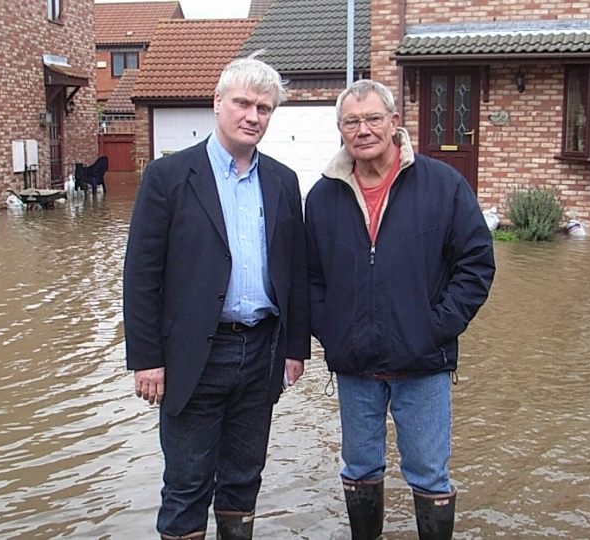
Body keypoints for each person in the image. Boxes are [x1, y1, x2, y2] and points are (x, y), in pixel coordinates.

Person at [123, 55, 310, 540]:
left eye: (264, 109)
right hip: (193, 356)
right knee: (186, 483)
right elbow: (142, 275)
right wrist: (147, 360)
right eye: (243, 104)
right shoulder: (168, 178)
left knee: (244, 480)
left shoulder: (283, 181)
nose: (253, 116)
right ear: (217, 103)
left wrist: (295, 348)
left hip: (261, 353)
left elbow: (295, 271)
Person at [304, 79, 496, 540]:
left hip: (423, 362)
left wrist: (437, 326)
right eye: (352, 121)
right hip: (355, 365)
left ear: (394, 123)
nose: (363, 129)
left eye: (373, 118)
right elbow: (309, 278)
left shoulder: (442, 184)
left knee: (429, 472)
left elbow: (475, 264)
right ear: (340, 129)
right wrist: (332, 329)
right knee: (359, 467)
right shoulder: (322, 195)